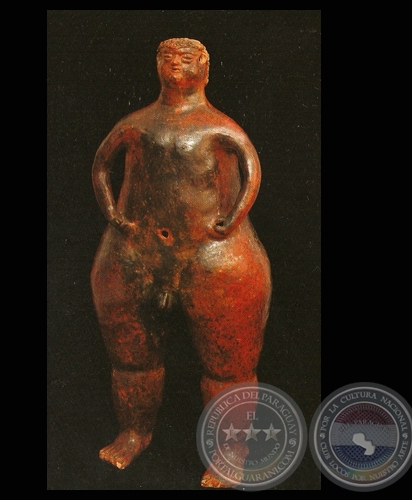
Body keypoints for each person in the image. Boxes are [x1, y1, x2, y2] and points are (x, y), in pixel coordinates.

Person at [91, 38, 272, 488]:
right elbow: (101, 165)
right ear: (157, 66)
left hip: (216, 259)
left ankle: (230, 454)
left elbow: (251, 169)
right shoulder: (136, 124)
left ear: (205, 70)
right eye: (167, 57)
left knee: (229, 367)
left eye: (186, 58)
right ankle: (134, 433)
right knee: (130, 359)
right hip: (134, 253)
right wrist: (114, 214)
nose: (175, 64)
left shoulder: (220, 127)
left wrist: (232, 219)